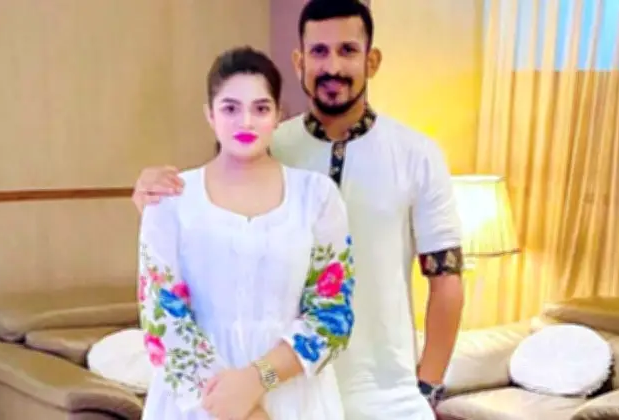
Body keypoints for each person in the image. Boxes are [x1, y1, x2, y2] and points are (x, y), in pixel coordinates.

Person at [134, 1, 464, 419]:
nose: (333, 66)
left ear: (372, 60)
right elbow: (202, 249)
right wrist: (152, 196)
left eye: (348, 50)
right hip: (275, 389)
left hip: (380, 391)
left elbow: (446, 280)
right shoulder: (270, 142)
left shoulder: (416, 154)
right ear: (299, 61)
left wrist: (427, 387)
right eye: (319, 51)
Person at [138, 46, 356, 420]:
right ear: (210, 115)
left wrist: (258, 380)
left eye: (261, 108)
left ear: (278, 115)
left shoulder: (317, 196)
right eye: (230, 108)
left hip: (294, 394)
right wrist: (243, 411)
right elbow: (163, 322)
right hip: (198, 401)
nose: (246, 122)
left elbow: (332, 314)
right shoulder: (170, 200)